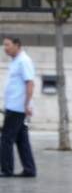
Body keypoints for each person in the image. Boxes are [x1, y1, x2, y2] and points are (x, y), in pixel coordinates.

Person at [1, 35, 37, 179]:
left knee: (5, 139)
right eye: (4, 45)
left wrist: (27, 104)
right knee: (22, 139)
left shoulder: (24, 61)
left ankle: (6, 170)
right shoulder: (16, 61)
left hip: (18, 108)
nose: (5, 48)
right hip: (13, 106)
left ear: (17, 45)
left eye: (7, 45)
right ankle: (29, 170)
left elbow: (30, 83)